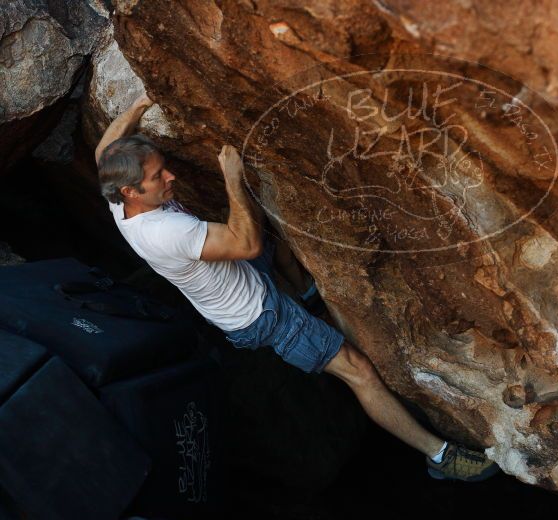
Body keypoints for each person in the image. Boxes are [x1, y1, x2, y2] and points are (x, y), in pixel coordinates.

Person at [96, 94, 499, 482]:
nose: (170, 177)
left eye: (162, 168)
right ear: (131, 191)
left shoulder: (117, 194)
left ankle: (308, 298)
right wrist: (232, 179)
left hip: (242, 280)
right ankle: (440, 457)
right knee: (359, 373)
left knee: (279, 244)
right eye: (157, 178)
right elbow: (245, 243)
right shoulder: (167, 231)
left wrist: (139, 105)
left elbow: (105, 149)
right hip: (261, 315)